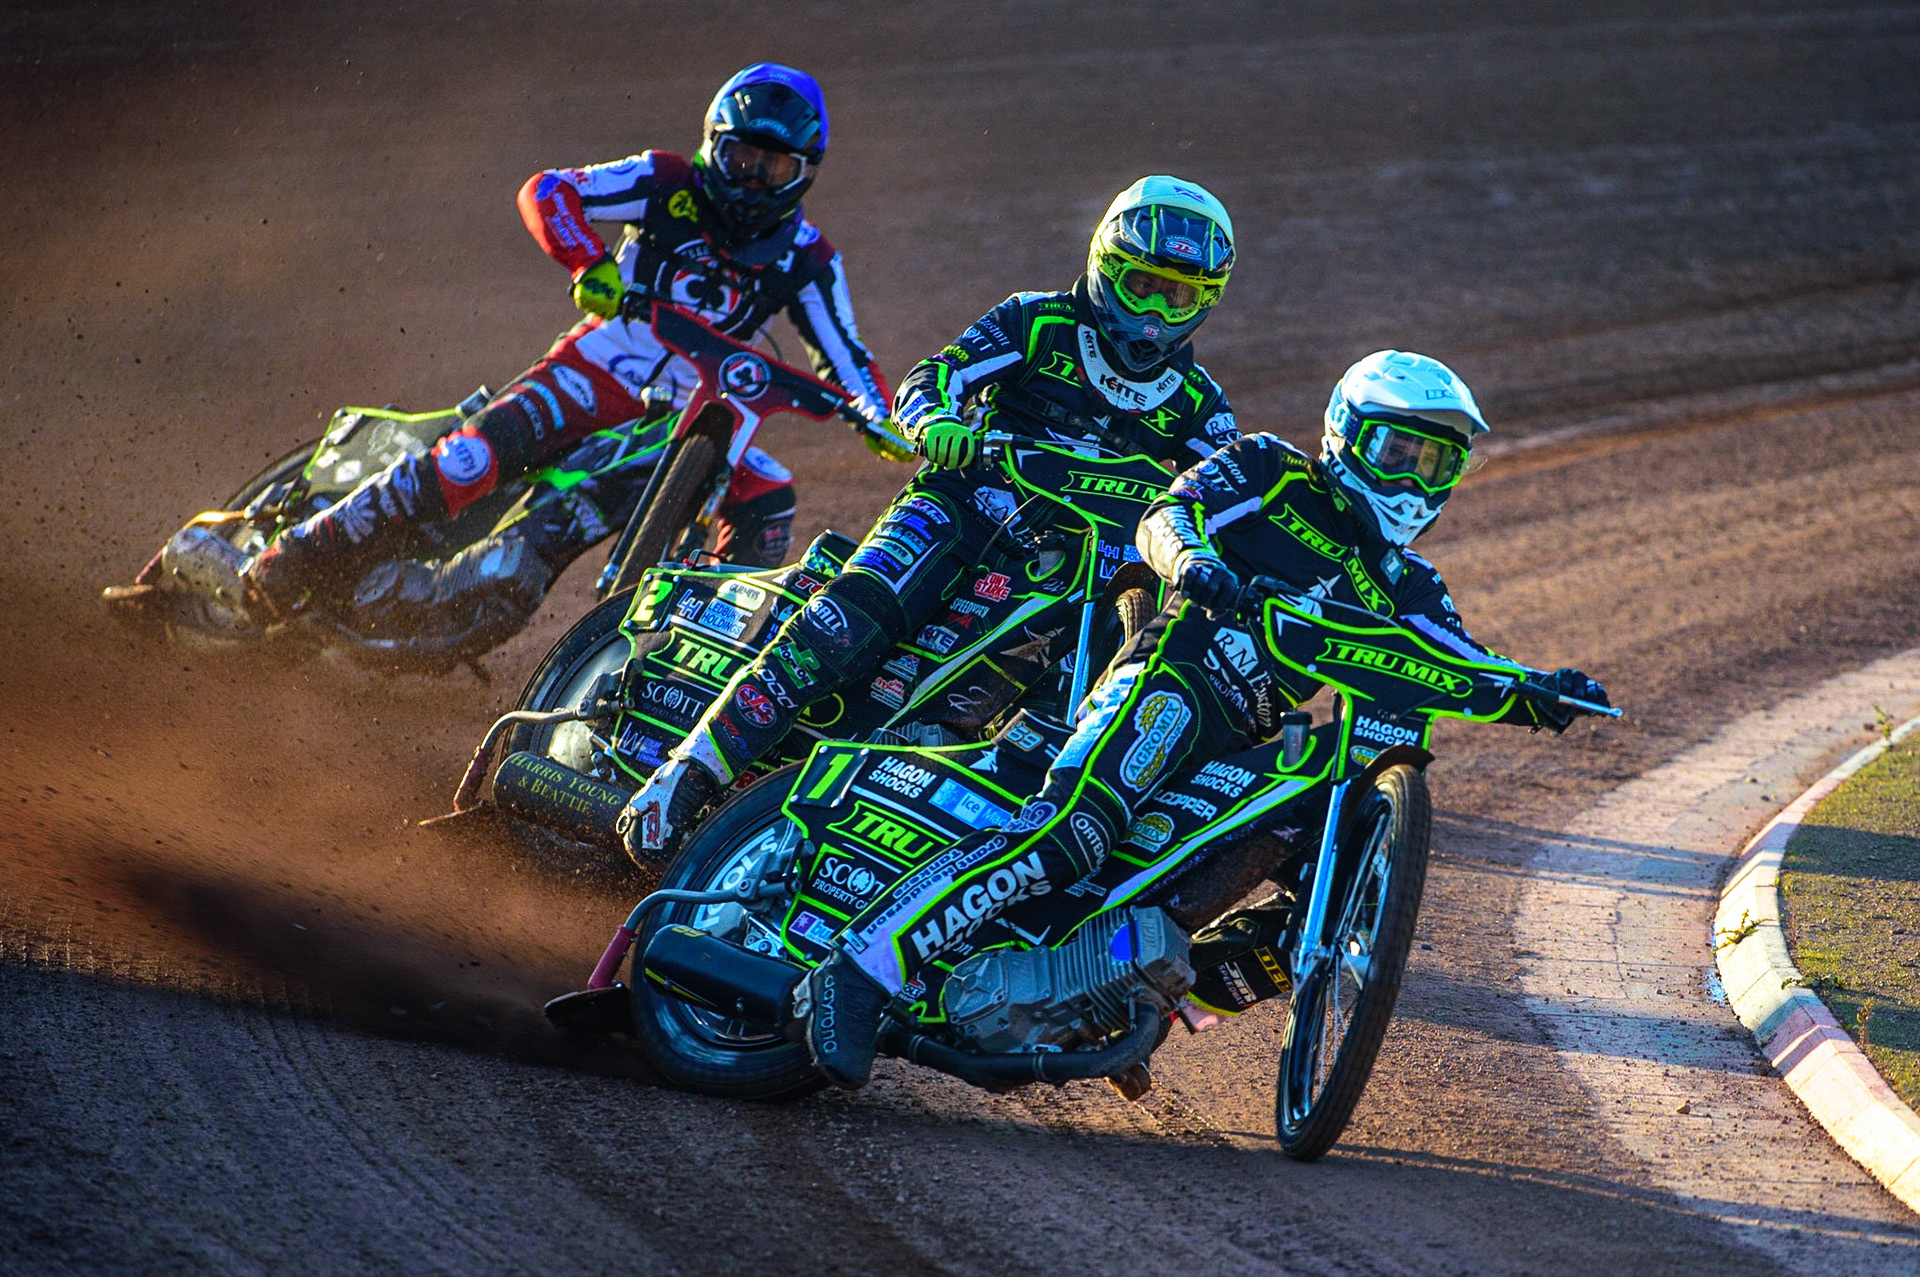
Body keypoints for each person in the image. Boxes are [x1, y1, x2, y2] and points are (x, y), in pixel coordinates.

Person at [796, 349, 1613, 1089]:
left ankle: (1137, 1004)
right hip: (1170, 679)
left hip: (1240, 744)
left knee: (1321, 892)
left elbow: (1455, 657)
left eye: (1435, 463)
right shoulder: (1270, 469)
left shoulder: (1414, 585)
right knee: (1070, 833)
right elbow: (1167, 515)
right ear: (1347, 435)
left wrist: (1539, 691)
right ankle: (861, 968)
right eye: (1397, 451)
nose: (1412, 480)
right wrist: (1194, 562)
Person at [623, 175, 1243, 856]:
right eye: (1142, 286)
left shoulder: (1200, 403)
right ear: (1105, 267)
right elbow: (935, 376)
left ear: (1206, 302)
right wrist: (937, 420)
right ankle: (684, 774)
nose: (1154, 313)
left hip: (1074, 569)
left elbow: (1226, 501)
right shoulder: (1038, 321)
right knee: (842, 625)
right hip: (964, 508)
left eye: (1178, 296)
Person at [241, 63, 894, 640]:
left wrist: (889, 420)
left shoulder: (809, 258)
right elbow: (549, 190)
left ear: (805, 173)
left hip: (690, 415)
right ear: (711, 145)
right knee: (470, 462)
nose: (752, 181)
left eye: (773, 167)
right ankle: (299, 552)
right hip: (596, 369)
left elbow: (847, 358)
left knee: (769, 490)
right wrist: (587, 261)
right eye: (740, 158)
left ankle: (711, 647)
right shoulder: (665, 180)